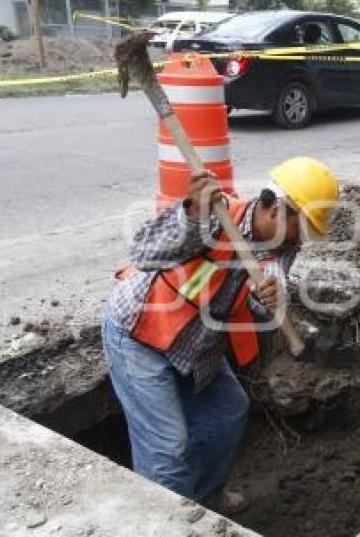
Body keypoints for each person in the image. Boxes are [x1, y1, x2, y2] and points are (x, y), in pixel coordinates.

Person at [101, 157, 339, 513]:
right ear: (276, 210)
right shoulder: (214, 213)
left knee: (228, 412)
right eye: (301, 228)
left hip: (196, 345)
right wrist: (192, 216)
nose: (301, 239)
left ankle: (204, 499)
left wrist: (273, 294)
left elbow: (266, 297)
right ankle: (163, 522)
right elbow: (145, 253)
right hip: (139, 335)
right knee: (168, 448)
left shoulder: (284, 246)